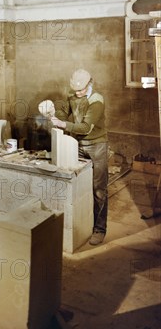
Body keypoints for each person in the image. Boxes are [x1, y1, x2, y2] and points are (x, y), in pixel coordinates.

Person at [49, 69, 109, 246]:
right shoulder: (72, 94)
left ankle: (99, 229)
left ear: (90, 84)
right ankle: (79, 226)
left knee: (99, 190)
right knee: (75, 184)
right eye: (75, 90)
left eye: (81, 90)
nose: (78, 93)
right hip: (77, 144)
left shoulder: (96, 100)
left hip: (97, 145)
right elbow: (63, 112)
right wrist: (54, 114)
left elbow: (85, 128)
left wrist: (63, 124)